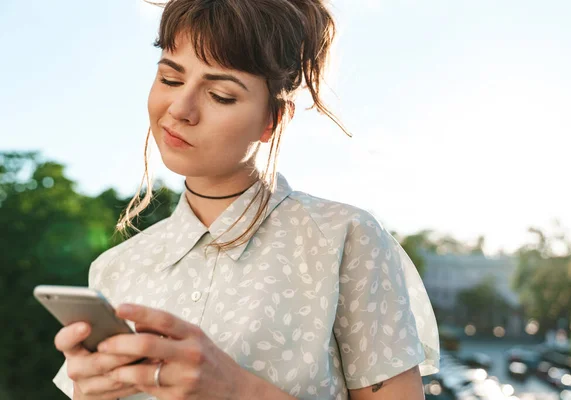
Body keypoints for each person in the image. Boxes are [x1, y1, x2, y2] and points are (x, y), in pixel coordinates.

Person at [52, 0, 440, 399]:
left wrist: (234, 389)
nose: (180, 109)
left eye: (220, 95)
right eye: (169, 79)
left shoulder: (343, 238)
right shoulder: (114, 268)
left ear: (272, 120)